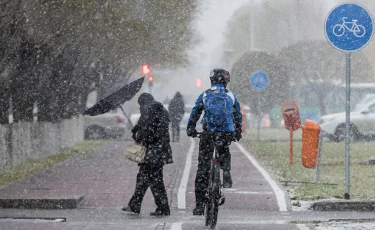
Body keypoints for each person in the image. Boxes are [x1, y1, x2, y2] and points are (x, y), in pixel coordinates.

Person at [186, 68, 242, 215]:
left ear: (211, 80)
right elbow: (237, 115)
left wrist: (191, 128)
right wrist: (237, 132)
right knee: (224, 150)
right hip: (225, 134)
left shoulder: (205, 94)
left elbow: (195, 112)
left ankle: (199, 206)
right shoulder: (230, 95)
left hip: (208, 134)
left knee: (202, 168)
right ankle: (227, 172)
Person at [122, 93, 173, 216]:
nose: (140, 108)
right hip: (161, 150)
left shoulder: (148, 109)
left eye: (140, 105)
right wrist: (137, 129)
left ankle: (162, 208)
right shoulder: (161, 109)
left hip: (153, 151)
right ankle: (135, 205)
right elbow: (153, 128)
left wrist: (138, 134)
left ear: (143, 102)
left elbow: (148, 132)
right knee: (145, 178)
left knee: (153, 180)